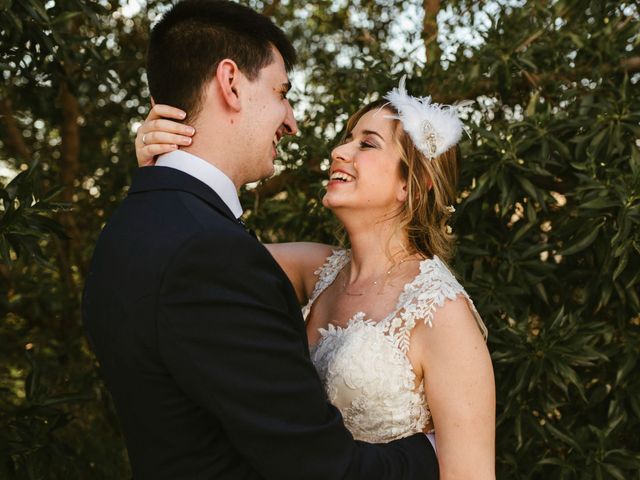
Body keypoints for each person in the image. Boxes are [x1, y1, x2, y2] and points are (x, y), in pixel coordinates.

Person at [82, 1, 440, 479]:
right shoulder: (208, 255)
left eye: (368, 143)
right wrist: (438, 449)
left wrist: (164, 178)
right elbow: (323, 469)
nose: (291, 120)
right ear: (231, 83)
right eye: (281, 93)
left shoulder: (131, 228)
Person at [135, 73, 497, 478]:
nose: (340, 151)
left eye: (367, 143)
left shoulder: (442, 314)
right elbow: (189, 255)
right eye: (347, 137)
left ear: (412, 185)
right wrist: (167, 170)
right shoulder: (315, 269)